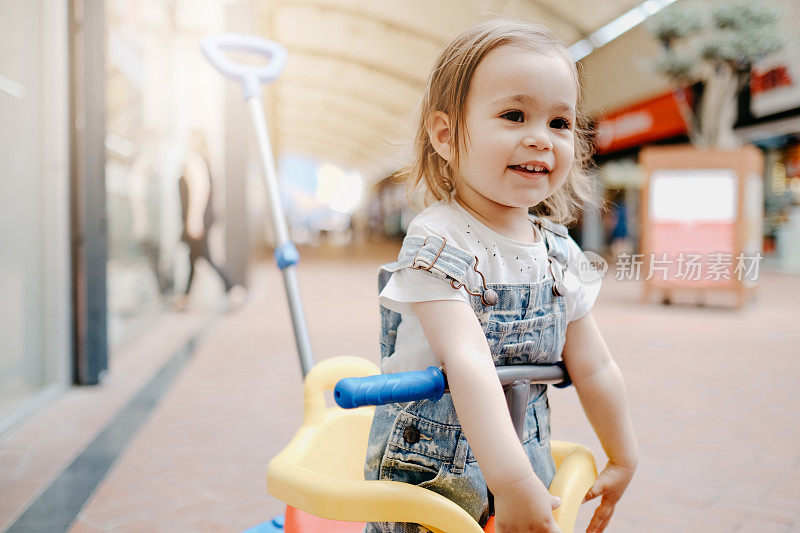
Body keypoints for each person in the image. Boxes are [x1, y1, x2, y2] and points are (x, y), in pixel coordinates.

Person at [363, 20, 638, 533]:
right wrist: (511, 486)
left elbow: (595, 366)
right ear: (446, 136)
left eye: (559, 123)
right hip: (431, 476)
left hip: (523, 462)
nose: (541, 139)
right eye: (514, 115)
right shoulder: (440, 241)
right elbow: (468, 363)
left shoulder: (558, 251)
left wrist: (622, 455)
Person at [177, 132, 245, 311]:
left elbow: (199, 191)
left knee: (206, 256)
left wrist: (194, 220)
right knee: (194, 258)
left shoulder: (194, 161)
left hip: (197, 219)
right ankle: (185, 298)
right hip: (202, 218)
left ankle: (233, 288)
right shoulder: (203, 161)